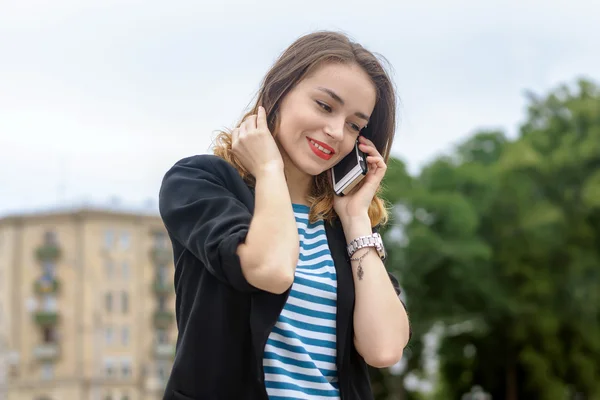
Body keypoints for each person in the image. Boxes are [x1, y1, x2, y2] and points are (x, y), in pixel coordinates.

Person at [159, 30, 411, 400]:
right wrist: (270, 171)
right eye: (325, 106)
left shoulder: (340, 226)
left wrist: (357, 219)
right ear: (278, 93)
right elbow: (272, 270)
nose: (336, 131)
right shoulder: (200, 181)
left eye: (355, 125)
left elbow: (384, 349)